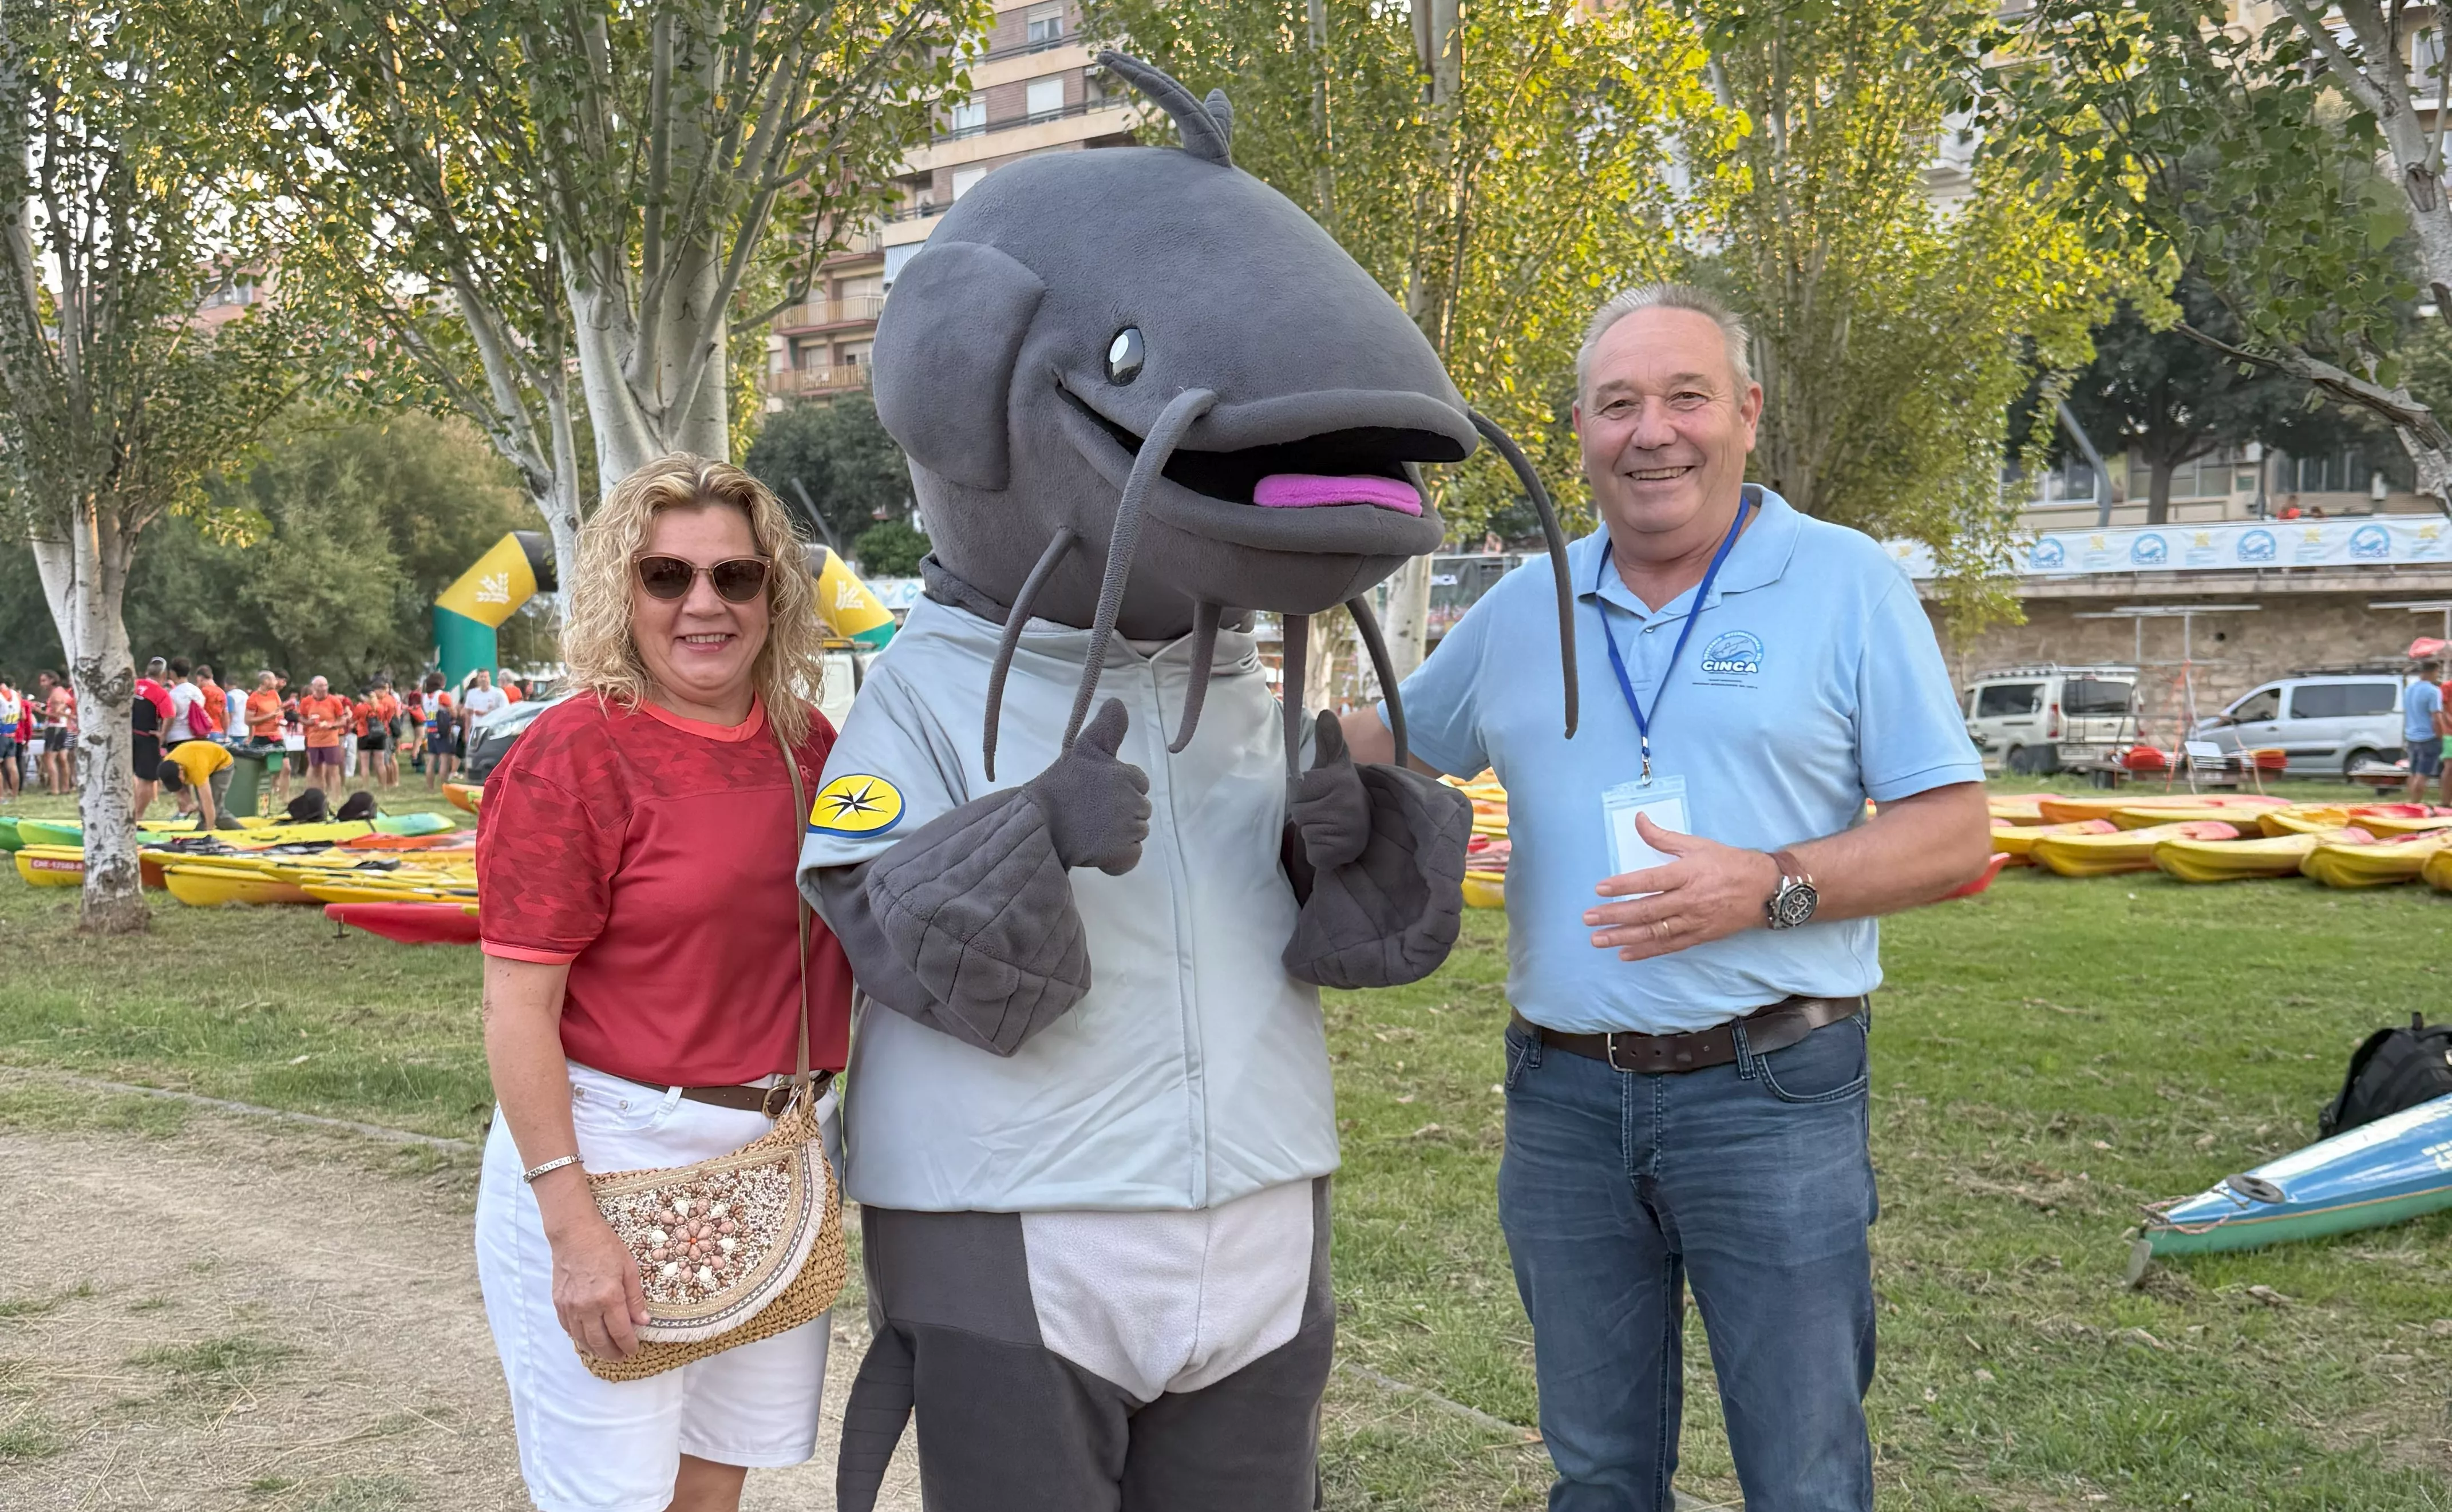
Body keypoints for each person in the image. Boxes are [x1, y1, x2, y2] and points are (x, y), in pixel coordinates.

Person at [1342, 284, 1990, 1511]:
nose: (1655, 432)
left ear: (1747, 413)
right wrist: (1193, 709)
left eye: (1687, 396)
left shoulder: (1845, 582)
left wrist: (1771, 889)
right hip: (1564, 1100)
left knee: (1802, 1473)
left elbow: (1954, 833)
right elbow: (1382, 744)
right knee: (1595, 1472)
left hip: (1775, 1093)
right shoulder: (1526, 607)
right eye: (1618, 403)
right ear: (1578, 430)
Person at [474, 454, 856, 1512]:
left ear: (771, 592)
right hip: (614, 1154)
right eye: (666, 576)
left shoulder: (813, 747)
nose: (703, 603)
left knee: (711, 1484)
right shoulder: (572, 756)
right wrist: (571, 1225)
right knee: (610, 1499)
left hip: (775, 1158)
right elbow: (518, 1010)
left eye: (735, 577)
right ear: (620, 591)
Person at [157, 739, 237, 830]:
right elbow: (180, 791)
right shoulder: (168, 765)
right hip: (201, 759)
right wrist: (189, 805)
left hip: (222, 764)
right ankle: (201, 833)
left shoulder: (196, 768)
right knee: (204, 812)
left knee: (216, 811)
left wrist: (209, 832)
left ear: (181, 770)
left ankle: (243, 834)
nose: (181, 783)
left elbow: (208, 801)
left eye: (180, 780)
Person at [297, 675, 353, 792]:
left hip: (330, 741)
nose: (323, 689)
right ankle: (319, 795)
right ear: (313, 688)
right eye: (320, 686)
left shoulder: (334, 701)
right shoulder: (306, 702)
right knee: (316, 769)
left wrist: (330, 725)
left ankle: (335, 796)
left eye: (325, 686)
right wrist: (308, 722)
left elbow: (343, 720)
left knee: (333, 769)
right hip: (313, 741)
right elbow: (300, 717)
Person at [131, 659, 168, 816]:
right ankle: (137, 816)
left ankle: (128, 812)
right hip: (147, 737)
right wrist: (163, 734)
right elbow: (170, 715)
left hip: (127, 735)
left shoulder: (133, 685)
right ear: (163, 675)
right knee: (147, 779)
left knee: (130, 774)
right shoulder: (160, 693)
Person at [2405, 660, 2442, 802]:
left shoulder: (2410, 689)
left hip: (2411, 736)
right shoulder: (2433, 691)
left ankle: (2411, 802)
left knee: (2413, 773)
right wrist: (2440, 736)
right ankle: (2415, 804)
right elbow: (2436, 718)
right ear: (2433, 671)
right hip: (2428, 737)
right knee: (2423, 774)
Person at [37, 671, 74, 795]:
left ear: (52, 680)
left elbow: (57, 714)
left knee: (49, 758)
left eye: (44, 680)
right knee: (63, 759)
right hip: (63, 727)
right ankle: (65, 787)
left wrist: (39, 711)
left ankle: (54, 789)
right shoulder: (62, 691)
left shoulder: (56, 694)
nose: (42, 684)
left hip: (55, 728)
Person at [421, 673, 457, 789]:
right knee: (444, 759)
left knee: (432, 759)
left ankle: (430, 787)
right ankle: (444, 786)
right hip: (442, 730)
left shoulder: (425, 697)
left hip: (431, 728)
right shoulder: (442, 695)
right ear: (441, 683)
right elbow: (453, 712)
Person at [164, 657, 207, 746]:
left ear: (173, 673)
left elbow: (171, 716)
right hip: (195, 737)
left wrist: (163, 734)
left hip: (176, 738)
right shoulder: (197, 692)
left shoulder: (173, 694)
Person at [0, 674, 20, 801]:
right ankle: (15, 795)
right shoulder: (15, 694)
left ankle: (1, 797)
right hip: (12, 733)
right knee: (12, 766)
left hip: (1, 734)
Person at [194, 663, 228, 736]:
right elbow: (225, 715)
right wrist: (226, 734)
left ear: (200, 678)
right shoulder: (222, 692)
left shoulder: (202, 692)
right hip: (219, 732)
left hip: (205, 732)